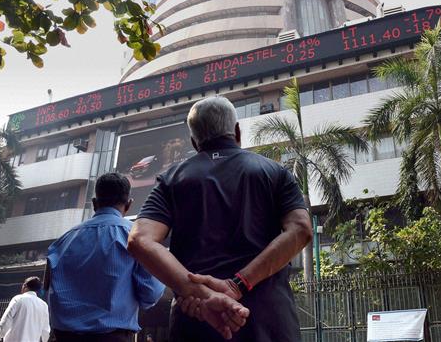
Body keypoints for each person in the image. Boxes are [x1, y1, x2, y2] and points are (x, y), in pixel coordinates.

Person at [128, 96, 313, 341]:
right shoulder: (275, 172)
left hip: (197, 318)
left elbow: (139, 239)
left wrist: (196, 291)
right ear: (237, 132)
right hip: (269, 320)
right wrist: (239, 283)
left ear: (194, 141)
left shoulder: (171, 179)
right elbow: (301, 229)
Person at [46, 173, 165, 342]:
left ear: (94, 203)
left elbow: (48, 291)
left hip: (63, 337)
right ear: (129, 204)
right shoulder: (136, 238)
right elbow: (151, 293)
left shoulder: (62, 242)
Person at [0, 277, 49, 342]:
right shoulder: (44, 305)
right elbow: (45, 329)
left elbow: (6, 319)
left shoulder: (18, 299)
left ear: (25, 285)